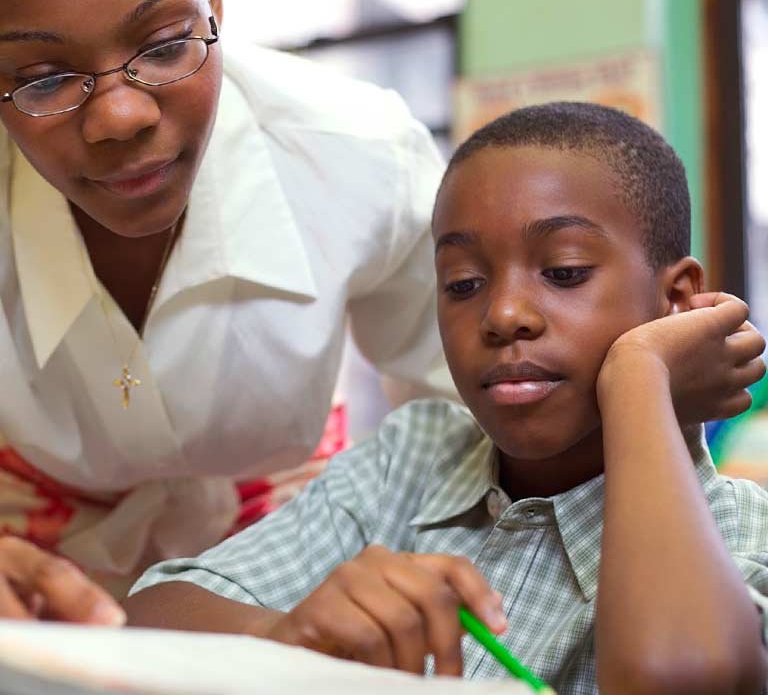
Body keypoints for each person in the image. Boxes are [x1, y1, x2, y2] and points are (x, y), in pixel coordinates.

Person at [124, 103, 768, 694]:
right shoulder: (411, 460)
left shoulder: (741, 527)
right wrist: (286, 633)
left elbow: (678, 674)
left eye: (564, 272)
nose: (503, 313)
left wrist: (638, 374)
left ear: (678, 299)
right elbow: (148, 615)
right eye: (463, 283)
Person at [0, 0, 449, 597]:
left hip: (287, 530)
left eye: (165, 44)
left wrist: (411, 552)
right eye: (45, 80)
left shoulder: (362, 157)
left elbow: (458, 416)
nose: (121, 116)